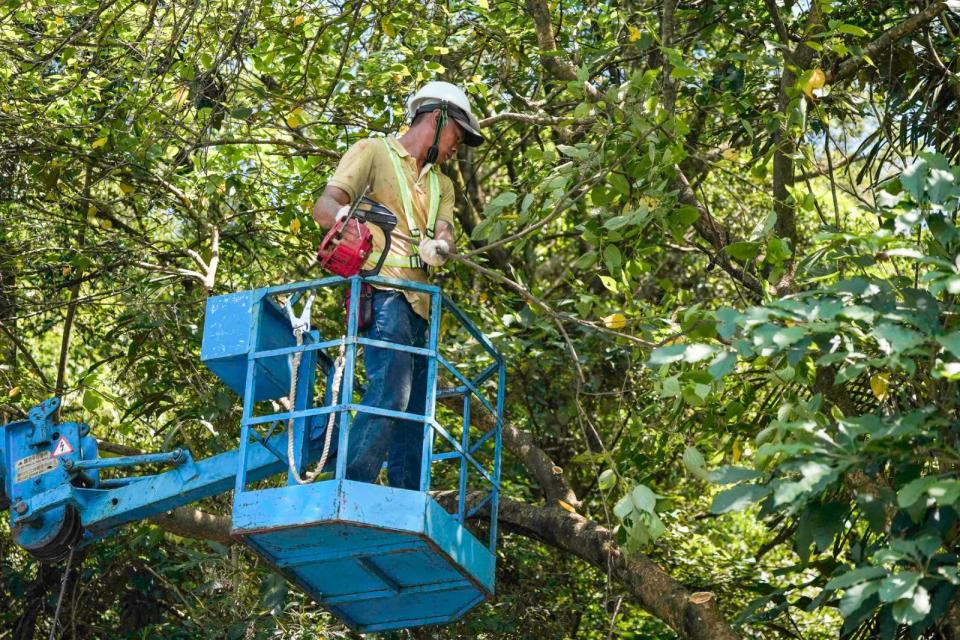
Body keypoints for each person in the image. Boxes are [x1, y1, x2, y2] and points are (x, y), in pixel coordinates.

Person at [312, 81, 484, 490]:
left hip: (422, 307)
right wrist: (345, 222)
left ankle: (407, 498)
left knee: (416, 414)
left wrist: (441, 246)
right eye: (456, 136)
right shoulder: (373, 152)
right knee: (391, 394)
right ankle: (348, 485)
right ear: (436, 119)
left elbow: (446, 231)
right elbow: (324, 206)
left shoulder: (443, 184)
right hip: (383, 292)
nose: (456, 147)